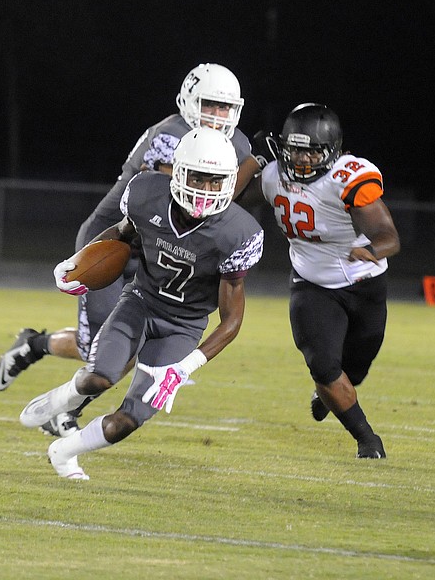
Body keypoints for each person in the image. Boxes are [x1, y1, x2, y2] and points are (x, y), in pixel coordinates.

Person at [0, 63, 264, 437]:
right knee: (99, 347)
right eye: (209, 105)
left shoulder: (234, 144)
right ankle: (35, 346)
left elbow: (214, 209)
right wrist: (252, 166)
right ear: (188, 101)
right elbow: (190, 200)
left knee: (126, 345)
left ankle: (64, 406)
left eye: (224, 107)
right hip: (117, 243)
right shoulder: (171, 136)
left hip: (161, 252)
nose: (216, 116)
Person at [19, 127, 264, 479]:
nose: (206, 190)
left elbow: (231, 322)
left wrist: (185, 368)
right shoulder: (147, 193)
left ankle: (64, 452)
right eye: (198, 178)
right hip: (141, 303)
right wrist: (75, 262)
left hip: (183, 327)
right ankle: (62, 399)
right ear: (179, 172)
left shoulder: (239, 234)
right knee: (100, 377)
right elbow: (120, 234)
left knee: (128, 420)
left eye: (216, 182)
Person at [249, 103, 400, 459]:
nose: (302, 159)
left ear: (332, 151)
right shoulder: (273, 176)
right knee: (324, 366)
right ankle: (367, 439)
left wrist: (373, 250)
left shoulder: (346, 179)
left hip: (365, 283)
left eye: (312, 151)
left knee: (356, 369)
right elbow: (231, 198)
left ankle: (328, 395)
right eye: (295, 149)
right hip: (311, 283)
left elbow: (390, 237)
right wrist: (254, 161)